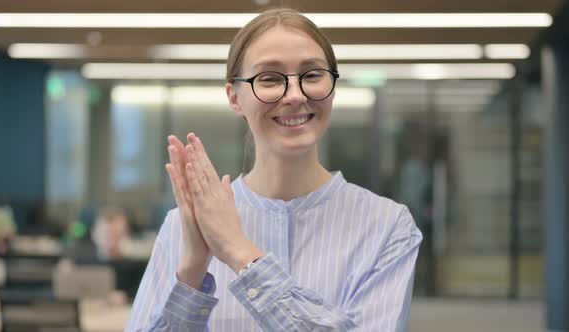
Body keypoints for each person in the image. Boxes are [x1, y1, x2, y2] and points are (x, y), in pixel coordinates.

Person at [126, 8, 422, 332]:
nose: (295, 95)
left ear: (332, 87)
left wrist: (240, 254)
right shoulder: (183, 227)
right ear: (234, 97)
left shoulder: (387, 226)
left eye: (311, 75)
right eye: (269, 79)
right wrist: (192, 273)